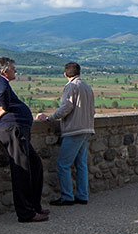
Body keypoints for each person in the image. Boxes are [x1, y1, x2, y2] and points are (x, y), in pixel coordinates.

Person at [0, 57, 48, 223]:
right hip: (13, 130)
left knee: (34, 164)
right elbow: (2, 92)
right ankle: (26, 213)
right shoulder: (0, 81)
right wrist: (5, 109)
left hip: (15, 130)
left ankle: (34, 206)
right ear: (5, 71)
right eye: (13, 68)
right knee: (21, 170)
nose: (16, 71)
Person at [36, 62, 95, 206]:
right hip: (87, 129)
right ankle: (82, 195)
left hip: (74, 130)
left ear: (65, 74)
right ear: (79, 72)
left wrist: (49, 117)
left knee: (63, 164)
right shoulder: (87, 87)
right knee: (81, 164)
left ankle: (67, 196)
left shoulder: (71, 87)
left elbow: (66, 107)